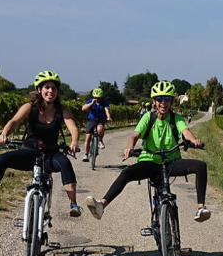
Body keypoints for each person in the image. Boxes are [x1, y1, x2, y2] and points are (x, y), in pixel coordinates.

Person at [0, 70, 84, 217]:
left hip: (51, 154)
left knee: (65, 163)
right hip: (30, 152)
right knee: (2, 159)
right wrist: (4, 134)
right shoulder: (29, 107)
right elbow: (14, 121)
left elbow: (73, 127)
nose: (50, 91)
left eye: (54, 88)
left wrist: (74, 142)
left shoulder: (62, 110)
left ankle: (73, 204)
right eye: (47, 87)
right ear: (39, 89)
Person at [85, 81, 211, 222]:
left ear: (172, 101)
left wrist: (194, 141)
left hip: (171, 162)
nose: (163, 103)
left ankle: (201, 208)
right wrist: (130, 147)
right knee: (127, 172)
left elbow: (186, 132)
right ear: (154, 101)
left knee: (200, 166)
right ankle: (102, 205)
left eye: (167, 99)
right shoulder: (148, 118)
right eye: (159, 99)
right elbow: (135, 135)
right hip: (150, 161)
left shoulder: (176, 118)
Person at [82, 87, 112, 161]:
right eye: (95, 97)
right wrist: (91, 103)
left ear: (101, 97)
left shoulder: (104, 102)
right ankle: (86, 154)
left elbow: (106, 110)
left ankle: (100, 141)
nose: (97, 99)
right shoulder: (90, 101)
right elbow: (83, 108)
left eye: (98, 98)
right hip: (91, 120)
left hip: (100, 119)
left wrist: (108, 117)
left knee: (100, 129)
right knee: (88, 137)